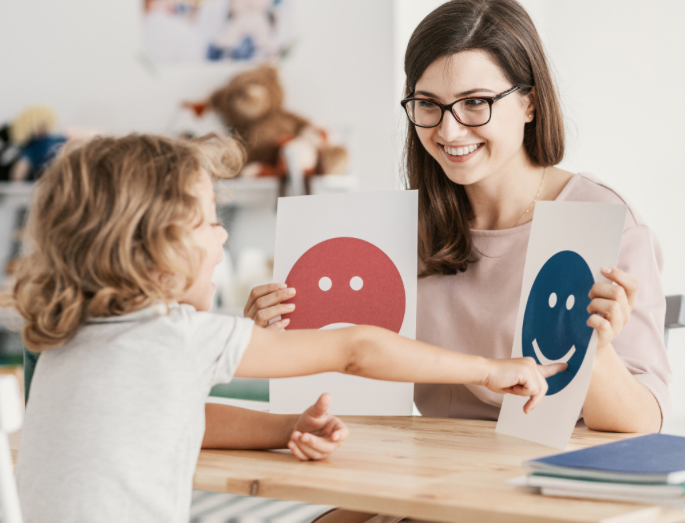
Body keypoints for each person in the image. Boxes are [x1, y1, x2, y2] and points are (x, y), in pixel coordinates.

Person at [245, 0, 672, 521]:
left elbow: (641, 424)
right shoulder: (401, 229)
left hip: (546, 493)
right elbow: (352, 372)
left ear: (530, 103)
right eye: (428, 104)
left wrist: (595, 351)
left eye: (474, 103)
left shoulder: (600, 218)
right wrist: (270, 337)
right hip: (429, 482)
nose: (448, 132)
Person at [12, 133, 564, 523]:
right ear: (152, 250)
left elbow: (177, 416)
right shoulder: (174, 335)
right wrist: (490, 369)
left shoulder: (68, 340)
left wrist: (285, 428)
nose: (223, 238)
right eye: (210, 222)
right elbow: (357, 348)